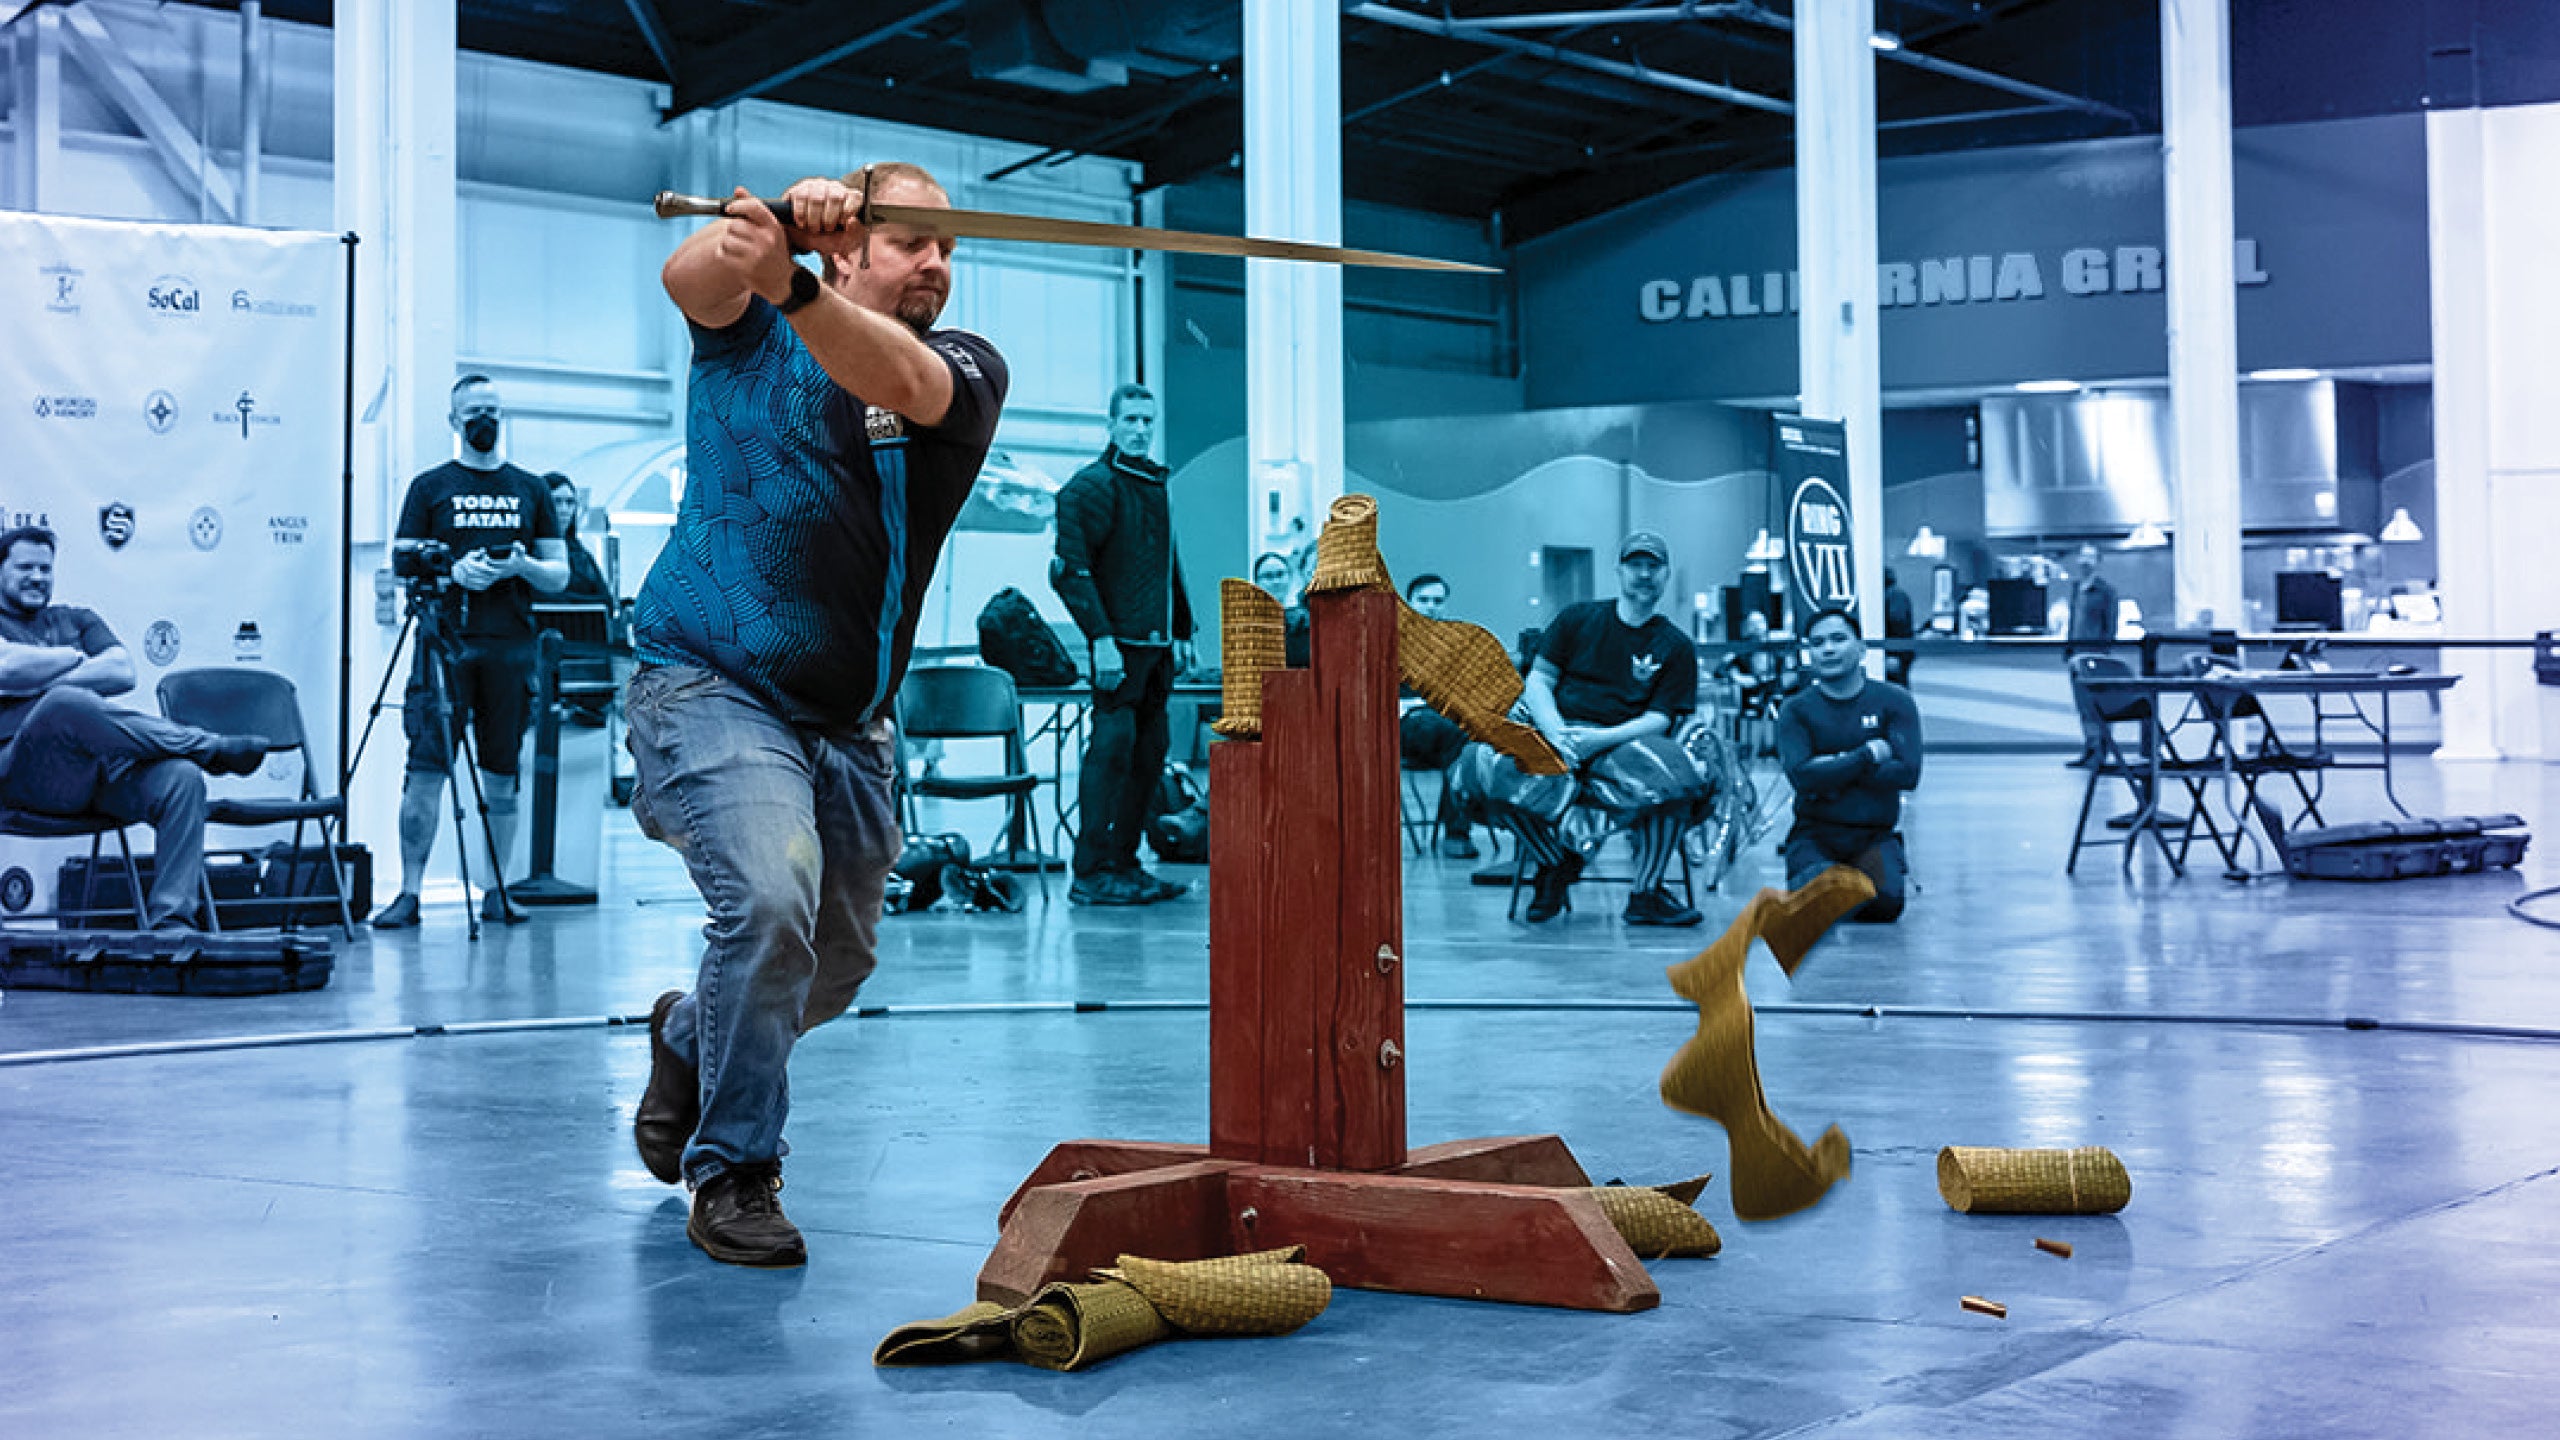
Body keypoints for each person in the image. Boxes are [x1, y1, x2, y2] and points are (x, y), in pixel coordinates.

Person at [627, 163, 1008, 1267]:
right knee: (769, 899)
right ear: (849, 247)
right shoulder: (749, 331)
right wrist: (767, 233)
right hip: (707, 681)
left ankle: (685, 1034)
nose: (935, 262)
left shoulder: (964, 367)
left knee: (829, 966)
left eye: (944, 245)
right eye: (908, 241)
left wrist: (796, 282)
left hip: (850, 722)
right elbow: (688, 272)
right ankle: (735, 1168)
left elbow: (898, 378)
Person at [371, 376, 570, 929]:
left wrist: (520, 565)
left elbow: (559, 574)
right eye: (474, 411)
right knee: (426, 769)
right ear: (454, 421)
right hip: (443, 646)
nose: (485, 419)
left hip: (510, 647)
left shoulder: (530, 490)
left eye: (493, 410)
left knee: (503, 775)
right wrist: (454, 571)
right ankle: (409, 892)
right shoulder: (429, 486)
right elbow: (403, 559)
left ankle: (496, 888)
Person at [0, 527, 272, 930]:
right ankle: (207, 745)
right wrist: (75, 659)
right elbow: (5, 665)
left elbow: (122, 670)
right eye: (25, 567)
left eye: (45, 568)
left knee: (182, 778)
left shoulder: (78, 617)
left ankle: (172, 922)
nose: (38, 577)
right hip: (24, 776)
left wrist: (42, 678)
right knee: (64, 705)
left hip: (97, 774)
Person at [1478, 531, 1708, 927]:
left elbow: (1661, 718)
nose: (1644, 573)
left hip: (1623, 742)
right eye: (1636, 564)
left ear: (1666, 575)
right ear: (1619, 571)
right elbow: (1539, 681)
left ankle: (1647, 893)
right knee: (1485, 765)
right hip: (1560, 732)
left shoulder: (1677, 645)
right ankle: (1554, 866)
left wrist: (1598, 740)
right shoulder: (1576, 619)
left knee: (1678, 783)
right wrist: (1556, 733)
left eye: (1654, 566)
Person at [1050, 383, 1193, 907]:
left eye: (1146, 421)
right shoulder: (1089, 487)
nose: (1139, 429)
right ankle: (1090, 872)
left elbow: (1165, 565)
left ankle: (1126, 865)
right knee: (1110, 751)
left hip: (1155, 648)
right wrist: (1101, 641)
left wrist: (1184, 631)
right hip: (1117, 649)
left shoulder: (1154, 486)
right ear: (1110, 424)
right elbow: (1069, 573)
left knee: (1150, 752)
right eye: (1129, 420)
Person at [1776, 607, 1921, 922]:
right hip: (1815, 834)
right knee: (1818, 903)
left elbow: (1907, 773)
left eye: (1838, 639)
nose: (1828, 649)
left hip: (1873, 835)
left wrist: (1832, 767)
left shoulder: (1895, 701)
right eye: (1818, 643)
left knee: (1884, 906)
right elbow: (1802, 777)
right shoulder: (1796, 710)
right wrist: (1866, 755)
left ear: (1861, 648)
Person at [1396, 573, 1480, 860]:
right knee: (1458, 733)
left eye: (1438, 601)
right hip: (1401, 723)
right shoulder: (1388, 639)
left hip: (1443, 728)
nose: (1431, 606)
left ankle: (1521, 837)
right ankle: (1457, 833)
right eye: (1423, 600)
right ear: (1408, 603)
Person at [2064, 544, 2117, 768]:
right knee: (2082, 706)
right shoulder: (2076, 588)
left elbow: (2110, 625)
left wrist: (2102, 652)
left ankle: (2102, 751)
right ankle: (2089, 748)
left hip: (2095, 654)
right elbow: (2072, 621)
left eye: (2090, 558)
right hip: (2076, 654)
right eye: (2082, 557)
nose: (2085, 562)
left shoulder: (2106, 591)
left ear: (2097, 562)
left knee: (2098, 706)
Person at [544, 472, 613, 607]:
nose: (564, 510)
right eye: (556, 502)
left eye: (570, 502)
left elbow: (606, 601)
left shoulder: (581, 555)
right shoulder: (528, 553)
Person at [1882, 567, 1916, 687]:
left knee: (1895, 686)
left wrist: (1893, 653)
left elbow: (1897, 621)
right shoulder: (1897, 594)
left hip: (1896, 652)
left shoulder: (1892, 596)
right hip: (1902, 650)